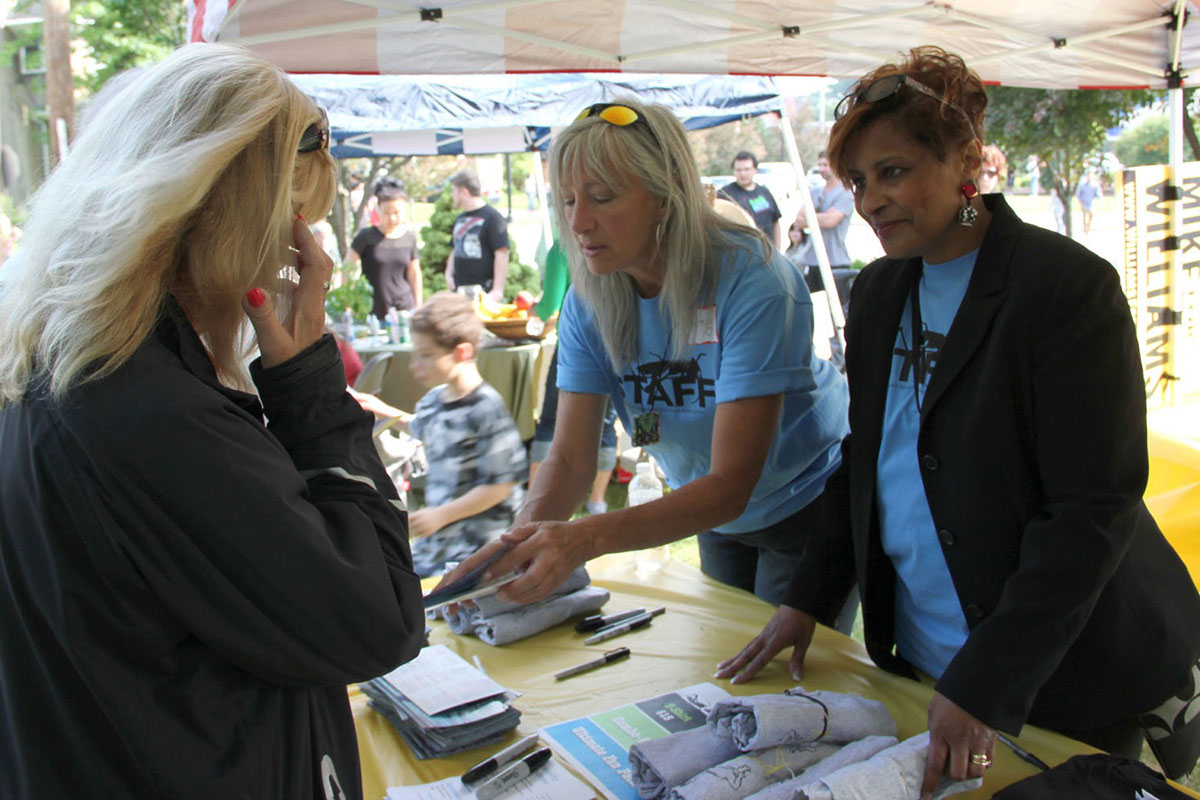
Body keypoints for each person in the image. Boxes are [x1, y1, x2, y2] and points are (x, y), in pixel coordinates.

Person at [716, 46, 1200, 793]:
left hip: (1056, 673)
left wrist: (986, 682)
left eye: (895, 171)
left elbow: (1090, 511)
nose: (872, 200)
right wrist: (807, 599)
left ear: (965, 160)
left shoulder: (1065, 290)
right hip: (920, 658)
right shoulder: (878, 292)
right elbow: (869, 461)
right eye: (859, 181)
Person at [0, 44, 426, 798]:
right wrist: (309, 386)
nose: (297, 259)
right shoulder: (149, 410)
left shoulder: (53, 367)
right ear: (245, 220)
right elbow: (380, 616)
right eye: (296, 226)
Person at [444, 98, 851, 615]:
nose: (579, 221)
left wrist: (582, 540)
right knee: (724, 666)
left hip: (804, 501)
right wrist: (516, 549)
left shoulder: (755, 280)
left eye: (602, 197)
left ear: (665, 196)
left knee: (790, 683)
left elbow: (732, 483)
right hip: (707, 510)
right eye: (567, 201)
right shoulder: (590, 300)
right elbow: (570, 459)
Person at [357, 292, 527, 578]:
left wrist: (442, 514)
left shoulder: (486, 409)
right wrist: (381, 410)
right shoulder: (435, 400)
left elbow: (500, 485)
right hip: (441, 543)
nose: (415, 365)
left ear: (462, 353)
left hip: (479, 549)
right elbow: (423, 427)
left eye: (426, 355)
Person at [529, 236, 619, 516]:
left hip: (575, 344)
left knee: (550, 422)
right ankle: (597, 501)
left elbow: (550, 304)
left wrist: (534, 308)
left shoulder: (563, 247)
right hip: (619, 338)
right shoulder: (620, 239)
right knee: (605, 424)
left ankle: (535, 500)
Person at [347, 177, 422, 318]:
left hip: (405, 309)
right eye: (387, 213)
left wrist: (419, 305)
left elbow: (415, 273)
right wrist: (348, 304)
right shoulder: (366, 236)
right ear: (378, 210)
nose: (392, 218)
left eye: (396, 212)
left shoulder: (409, 238)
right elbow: (348, 268)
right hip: (373, 311)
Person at [796, 151, 855, 295]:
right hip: (812, 260)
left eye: (826, 165)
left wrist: (810, 217)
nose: (822, 169)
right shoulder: (815, 192)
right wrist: (822, 217)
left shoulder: (845, 193)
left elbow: (831, 221)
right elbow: (798, 221)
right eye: (820, 165)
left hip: (835, 261)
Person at [446, 169, 510, 299]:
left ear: (464, 192)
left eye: (454, 191)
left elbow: (502, 253)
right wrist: (448, 274)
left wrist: (498, 290)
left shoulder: (493, 217)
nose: (452, 195)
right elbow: (455, 248)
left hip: (483, 292)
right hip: (459, 292)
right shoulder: (460, 218)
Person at [720, 150, 783, 247]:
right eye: (739, 170)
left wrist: (778, 249)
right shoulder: (725, 194)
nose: (743, 174)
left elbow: (775, 222)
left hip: (768, 252)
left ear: (755, 170)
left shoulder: (764, 192)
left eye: (747, 169)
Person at [1077, 170, 1101, 237]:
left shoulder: (1095, 185)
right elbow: (1078, 195)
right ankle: (1085, 231)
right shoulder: (1083, 185)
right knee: (1085, 218)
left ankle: (1088, 227)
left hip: (1091, 204)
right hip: (1084, 204)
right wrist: (1081, 203)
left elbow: (1099, 195)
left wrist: (1096, 202)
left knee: (1091, 217)